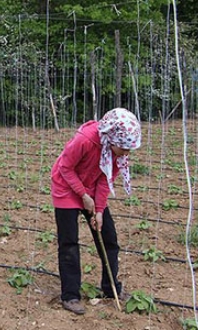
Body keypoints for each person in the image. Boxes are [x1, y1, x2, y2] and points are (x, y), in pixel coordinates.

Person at [50, 108, 142, 315]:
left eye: (129, 149)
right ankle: (70, 295)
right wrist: (82, 194)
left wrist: (99, 210)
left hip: (91, 188)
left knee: (108, 238)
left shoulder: (118, 153)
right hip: (66, 187)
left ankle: (111, 289)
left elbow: (104, 179)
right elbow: (65, 168)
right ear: (112, 137)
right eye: (124, 148)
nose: (127, 153)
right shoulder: (84, 140)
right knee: (69, 243)